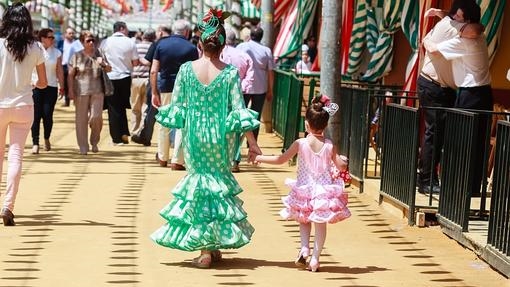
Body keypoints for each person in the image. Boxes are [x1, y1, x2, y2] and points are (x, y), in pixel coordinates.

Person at [150, 8, 262, 268]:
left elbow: (177, 107)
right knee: (217, 187)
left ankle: (206, 248)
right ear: (222, 46)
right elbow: (239, 110)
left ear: (199, 44)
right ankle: (210, 245)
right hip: (222, 138)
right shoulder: (230, 73)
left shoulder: (187, 71)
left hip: (195, 138)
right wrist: (253, 143)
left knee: (200, 188)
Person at [255, 94, 350, 272]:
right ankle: (315, 259)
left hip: (304, 190)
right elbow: (341, 166)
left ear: (306, 123)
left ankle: (304, 248)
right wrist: (343, 161)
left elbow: (280, 159)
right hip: (323, 192)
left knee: (304, 220)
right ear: (326, 125)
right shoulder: (329, 145)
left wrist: (259, 157)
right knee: (320, 224)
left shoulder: (300, 143)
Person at [424, 2, 491, 197]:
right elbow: (454, 20)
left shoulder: (465, 41)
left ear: (468, 22)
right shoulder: (478, 37)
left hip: (471, 95)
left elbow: (432, 48)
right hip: (481, 94)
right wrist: (440, 15)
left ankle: (462, 189)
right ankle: (472, 189)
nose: (453, 20)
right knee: (476, 143)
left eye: (458, 18)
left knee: (463, 143)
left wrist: (428, 36)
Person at [0, 2, 47, 226]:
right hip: (23, 106)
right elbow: (44, 82)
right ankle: (8, 205)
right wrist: (32, 83)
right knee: (16, 156)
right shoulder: (36, 48)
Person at [150, 19, 199, 169]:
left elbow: (153, 70)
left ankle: (162, 157)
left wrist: (154, 92)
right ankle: (177, 160)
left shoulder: (161, 45)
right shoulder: (191, 48)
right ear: (186, 32)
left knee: (164, 122)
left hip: (165, 87)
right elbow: (195, 72)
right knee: (182, 124)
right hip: (185, 89)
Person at [68, 31, 112, 155]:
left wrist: (102, 63)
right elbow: (71, 75)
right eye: (88, 40)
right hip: (80, 91)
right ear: (82, 42)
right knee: (81, 119)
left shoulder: (99, 54)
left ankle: (94, 141)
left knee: (96, 117)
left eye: (93, 40)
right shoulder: (76, 56)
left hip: (98, 90)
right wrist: (70, 90)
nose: (91, 42)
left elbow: (109, 69)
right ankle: (83, 146)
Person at [131, 25, 172, 147]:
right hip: (175, 80)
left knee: (151, 111)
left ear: (160, 32)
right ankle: (172, 140)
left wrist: (135, 59)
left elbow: (149, 64)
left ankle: (146, 136)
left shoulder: (158, 44)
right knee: (173, 111)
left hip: (158, 80)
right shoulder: (180, 44)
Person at [221, 30, 254, 172]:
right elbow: (250, 77)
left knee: (224, 126)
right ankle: (235, 159)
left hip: (221, 95)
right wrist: (241, 88)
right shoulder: (244, 56)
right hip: (240, 93)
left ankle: (226, 157)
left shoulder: (221, 54)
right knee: (238, 127)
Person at [102, 21, 140, 145]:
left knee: (113, 108)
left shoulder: (105, 42)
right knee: (123, 106)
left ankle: (116, 138)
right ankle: (124, 132)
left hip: (110, 77)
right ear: (122, 28)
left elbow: (102, 60)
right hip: (125, 77)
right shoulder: (130, 42)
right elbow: (135, 62)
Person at [237, 26, 274, 140]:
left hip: (244, 86)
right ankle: (252, 143)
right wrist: (270, 90)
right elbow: (271, 72)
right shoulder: (266, 50)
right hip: (260, 87)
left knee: (240, 114)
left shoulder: (241, 47)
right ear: (261, 37)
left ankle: (237, 141)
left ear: (250, 35)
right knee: (255, 116)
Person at [31, 28, 65, 154]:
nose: (53, 40)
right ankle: (35, 142)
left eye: (53, 37)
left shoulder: (56, 52)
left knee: (47, 115)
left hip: (51, 87)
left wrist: (62, 86)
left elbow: (59, 70)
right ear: (43, 38)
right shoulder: (34, 50)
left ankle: (46, 138)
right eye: (50, 37)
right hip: (35, 87)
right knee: (35, 116)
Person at [130, 28, 156, 136]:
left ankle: (134, 131)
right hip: (148, 79)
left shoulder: (135, 46)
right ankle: (142, 131)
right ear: (154, 37)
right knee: (146, 107)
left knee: (135, 107)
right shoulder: (154, 47)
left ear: (143, 36)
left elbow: (132, 61)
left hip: (136, 78)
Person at [57, 27, 76, 107]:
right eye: (69, 33)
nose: (71, 35)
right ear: (65, 34)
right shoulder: (61, 43)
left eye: (72, 33)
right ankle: (67, 100)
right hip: (63, 65)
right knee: (64, 83)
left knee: (74, 83)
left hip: (74, 66)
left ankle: (75, 100)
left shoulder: (76, 43)